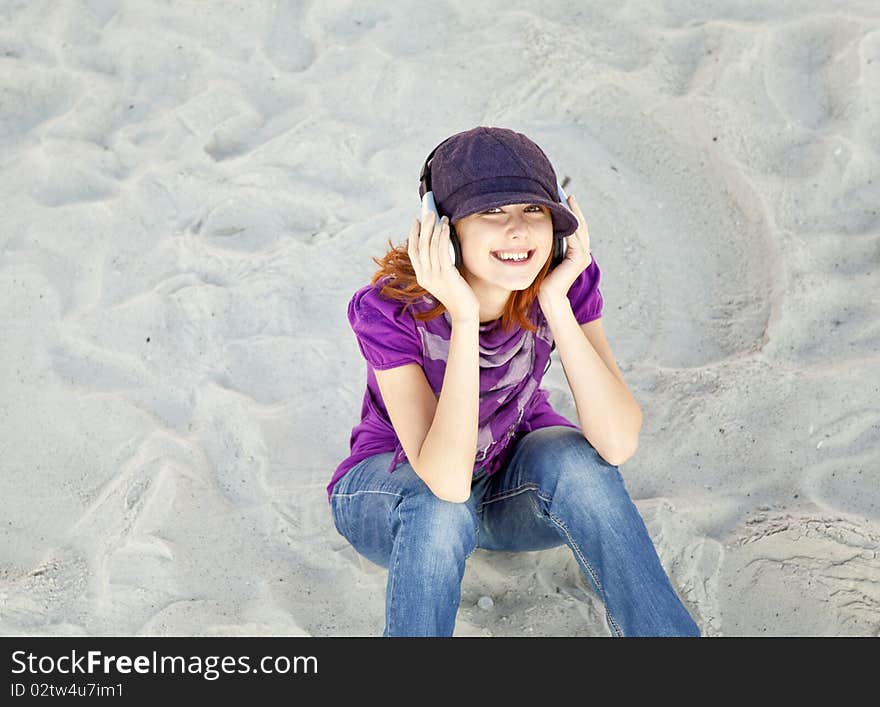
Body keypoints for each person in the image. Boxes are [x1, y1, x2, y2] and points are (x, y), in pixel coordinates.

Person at [327, 126, 700, 637]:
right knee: (440, 510)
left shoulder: (564, 282)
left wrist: (556, 304)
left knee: (578, 459)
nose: (519, 232)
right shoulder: (388, 310)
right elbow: (447, 481)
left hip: (504, 488)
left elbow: (616, 442)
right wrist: (461, 315)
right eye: (492, 213)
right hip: (398, 496)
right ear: (445, 228)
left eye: (534, 211)